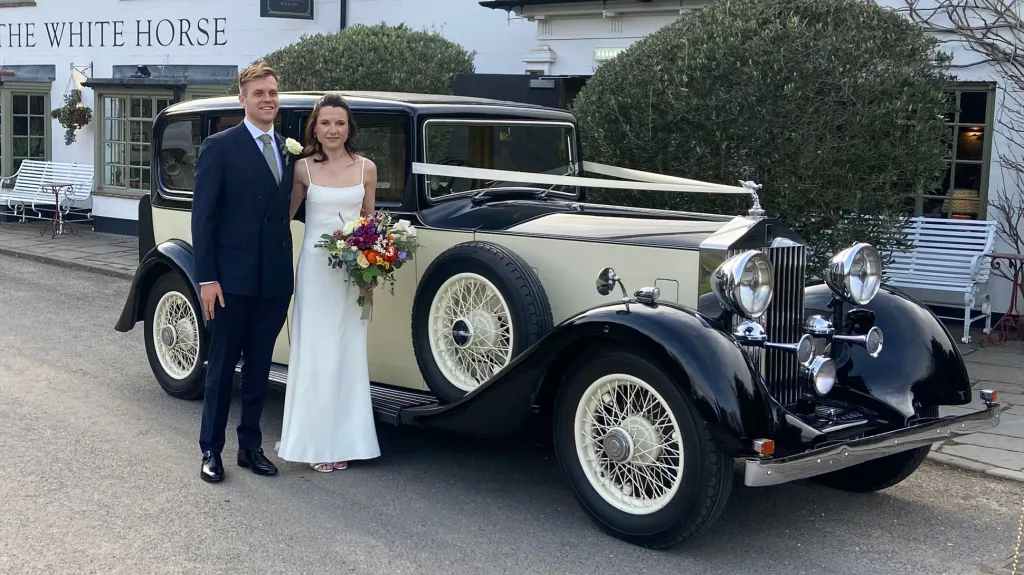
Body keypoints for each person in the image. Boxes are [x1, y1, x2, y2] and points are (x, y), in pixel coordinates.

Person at [191, 61, 295, 483]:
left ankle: (250, 446)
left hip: (274, 280)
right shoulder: (220, 146)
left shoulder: (290, 148)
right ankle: (211, 450)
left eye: (272, 92)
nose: (267, 99)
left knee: (259, 367)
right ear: (243, 99)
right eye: (259, 94)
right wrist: (207, 278)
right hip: (230, 281)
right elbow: (204, 218)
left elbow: (296, 206)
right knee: (221, 369)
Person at [276, 93, 382, 473]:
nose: (333, 129)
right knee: (316, 353)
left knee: (347, 354)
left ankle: (347, 440)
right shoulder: (303, 169)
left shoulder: (366, 168)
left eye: (339, 123)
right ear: (315, 128)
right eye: (325, 123)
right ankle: (314, 442)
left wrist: (373, 269)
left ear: (348, 127)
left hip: (352, 275)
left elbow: (370, 224)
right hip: (316, 272)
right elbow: (283, 217)